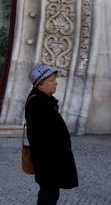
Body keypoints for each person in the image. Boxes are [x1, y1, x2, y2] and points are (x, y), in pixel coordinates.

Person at [25, 65, 78, 204]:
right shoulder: (38, 102)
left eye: (55, 80)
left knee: (50, 191)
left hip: (51, 158)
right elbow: (44, 134)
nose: (56, 83)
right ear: (40, 84)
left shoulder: (44, 100)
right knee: (49, 192)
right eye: (51, 80)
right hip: (48, 158)